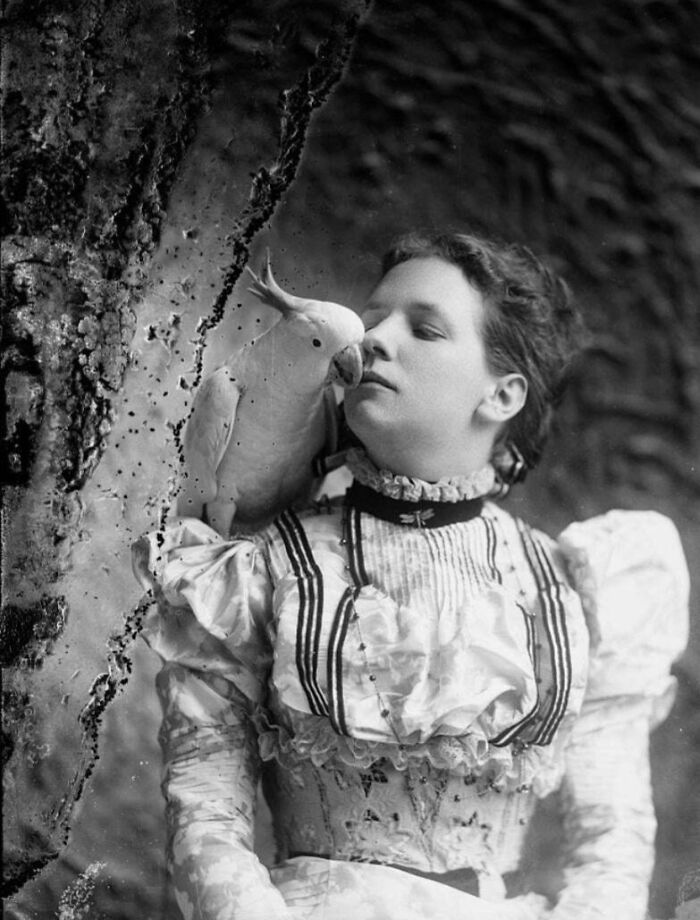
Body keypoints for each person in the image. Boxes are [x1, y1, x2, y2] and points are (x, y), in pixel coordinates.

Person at [132, 231, 689, 920]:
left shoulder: (572, 588)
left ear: (504, 393)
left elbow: (612, 842)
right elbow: (206, 809)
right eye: (371, 321)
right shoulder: (257, 567)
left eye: (424, 328)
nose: (375, 342)